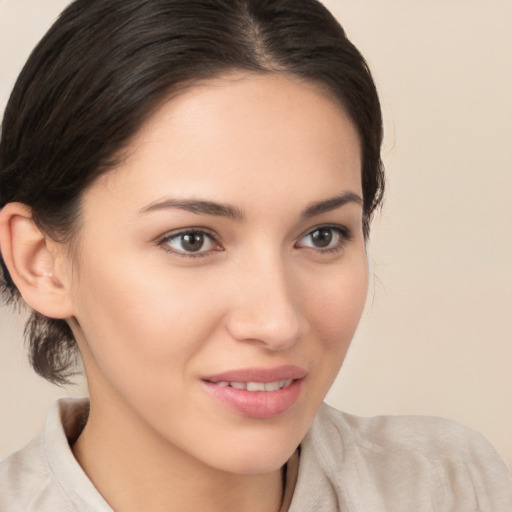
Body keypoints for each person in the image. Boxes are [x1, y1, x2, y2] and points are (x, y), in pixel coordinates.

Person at [0, 0, 510, 510]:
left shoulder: (452, 486)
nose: (278, 322)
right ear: (40, 260)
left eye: (322, 235)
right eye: (192, 240)